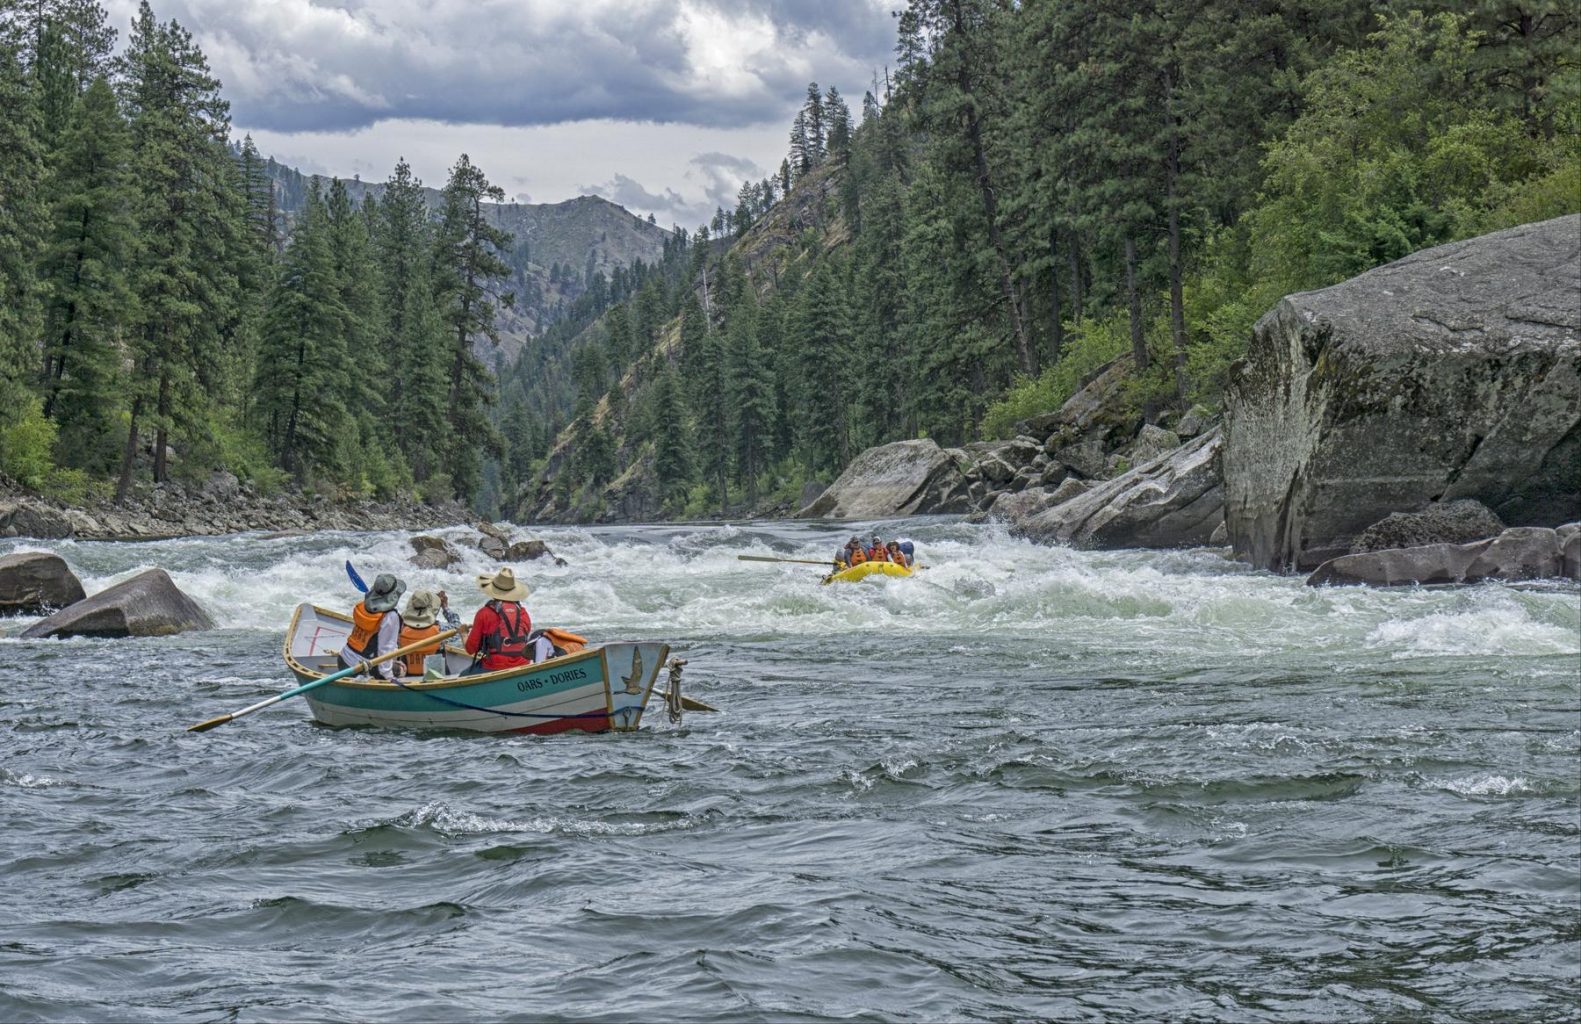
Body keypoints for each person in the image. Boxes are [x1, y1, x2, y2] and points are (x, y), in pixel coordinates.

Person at [463, 568, 533, 675]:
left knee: (462, 676)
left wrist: (463, 633)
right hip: (523, 664)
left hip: (495, 666)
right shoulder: (523, 613)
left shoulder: (484, 613)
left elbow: (470, 649)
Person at [341, 573, 404, 679]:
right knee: (401, 670)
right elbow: (385, 651)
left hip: (343, 659)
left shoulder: (364, 605)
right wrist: (388, 677)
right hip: (362, 669)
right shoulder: (390, 616)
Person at [396, 590, 445, 678]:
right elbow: (457, 627)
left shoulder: (400, 628)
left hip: (407, 675)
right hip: (435, 676)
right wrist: (445, 608)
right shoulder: (439, 628)